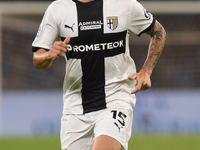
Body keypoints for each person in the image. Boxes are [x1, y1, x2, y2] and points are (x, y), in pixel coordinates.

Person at [32, 0, 166, 149]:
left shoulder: (124, 4)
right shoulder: (57, 9)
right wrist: (48, 55)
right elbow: (38, 58)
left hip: (116, 98)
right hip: (75, 107)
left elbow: (158, 31)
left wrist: (146, 70)